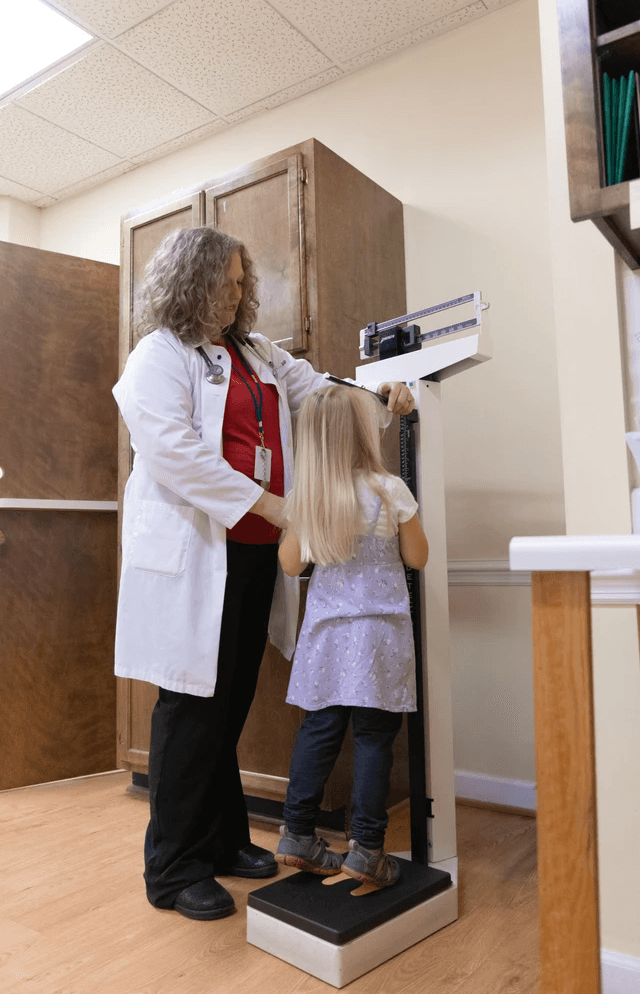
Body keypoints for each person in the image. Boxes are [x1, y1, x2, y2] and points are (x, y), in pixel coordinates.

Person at [112, 225, 415, 921]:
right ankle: (174, 865)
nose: (238, 292)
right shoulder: (158, 356)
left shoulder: (257, 353)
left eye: (243, 281)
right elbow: (174, 452)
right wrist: (277, 506)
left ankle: (220, 844)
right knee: (190, 710)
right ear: (190, 280)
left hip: (249, 555)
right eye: (226, 279)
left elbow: (324, 392)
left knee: (227, 704)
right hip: (197, 555)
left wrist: (383, 391)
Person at [274, 384, 429, 888]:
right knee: (373, 737)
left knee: (319, 728)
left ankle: (297, 834)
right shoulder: (390, 491)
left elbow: (291, 562)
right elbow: (418, 557)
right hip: (378, 636)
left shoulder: (309, 498)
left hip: (325, 636)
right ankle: (365, 849)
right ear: (364, 432)